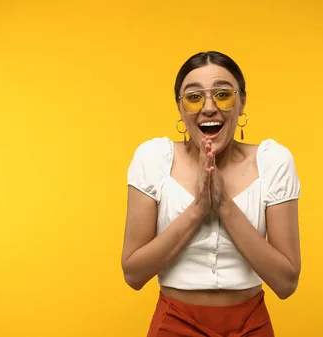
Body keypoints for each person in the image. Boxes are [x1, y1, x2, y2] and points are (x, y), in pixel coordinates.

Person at [121, 51, 301, 337]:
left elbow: (286, 282)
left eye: (223, 94)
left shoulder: (274, 161)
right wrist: (198, 208)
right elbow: (133, 273)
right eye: (193, 97)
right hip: (175, 323)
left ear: (242, 102)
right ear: (180, 108)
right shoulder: (152, 158)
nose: (208, 108)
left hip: (251, 325)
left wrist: (224, 205)